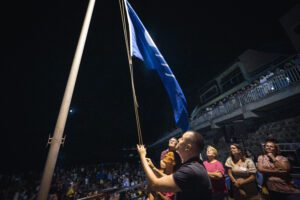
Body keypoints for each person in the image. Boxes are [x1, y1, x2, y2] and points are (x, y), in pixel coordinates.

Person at [137, 131, 212, 200]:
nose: (178, 139)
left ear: (187, 147)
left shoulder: (190, 170)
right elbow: (173, 179)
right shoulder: (194, 166)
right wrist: (153, 167)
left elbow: (154, 184)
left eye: (182, 139)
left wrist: (142, 156)